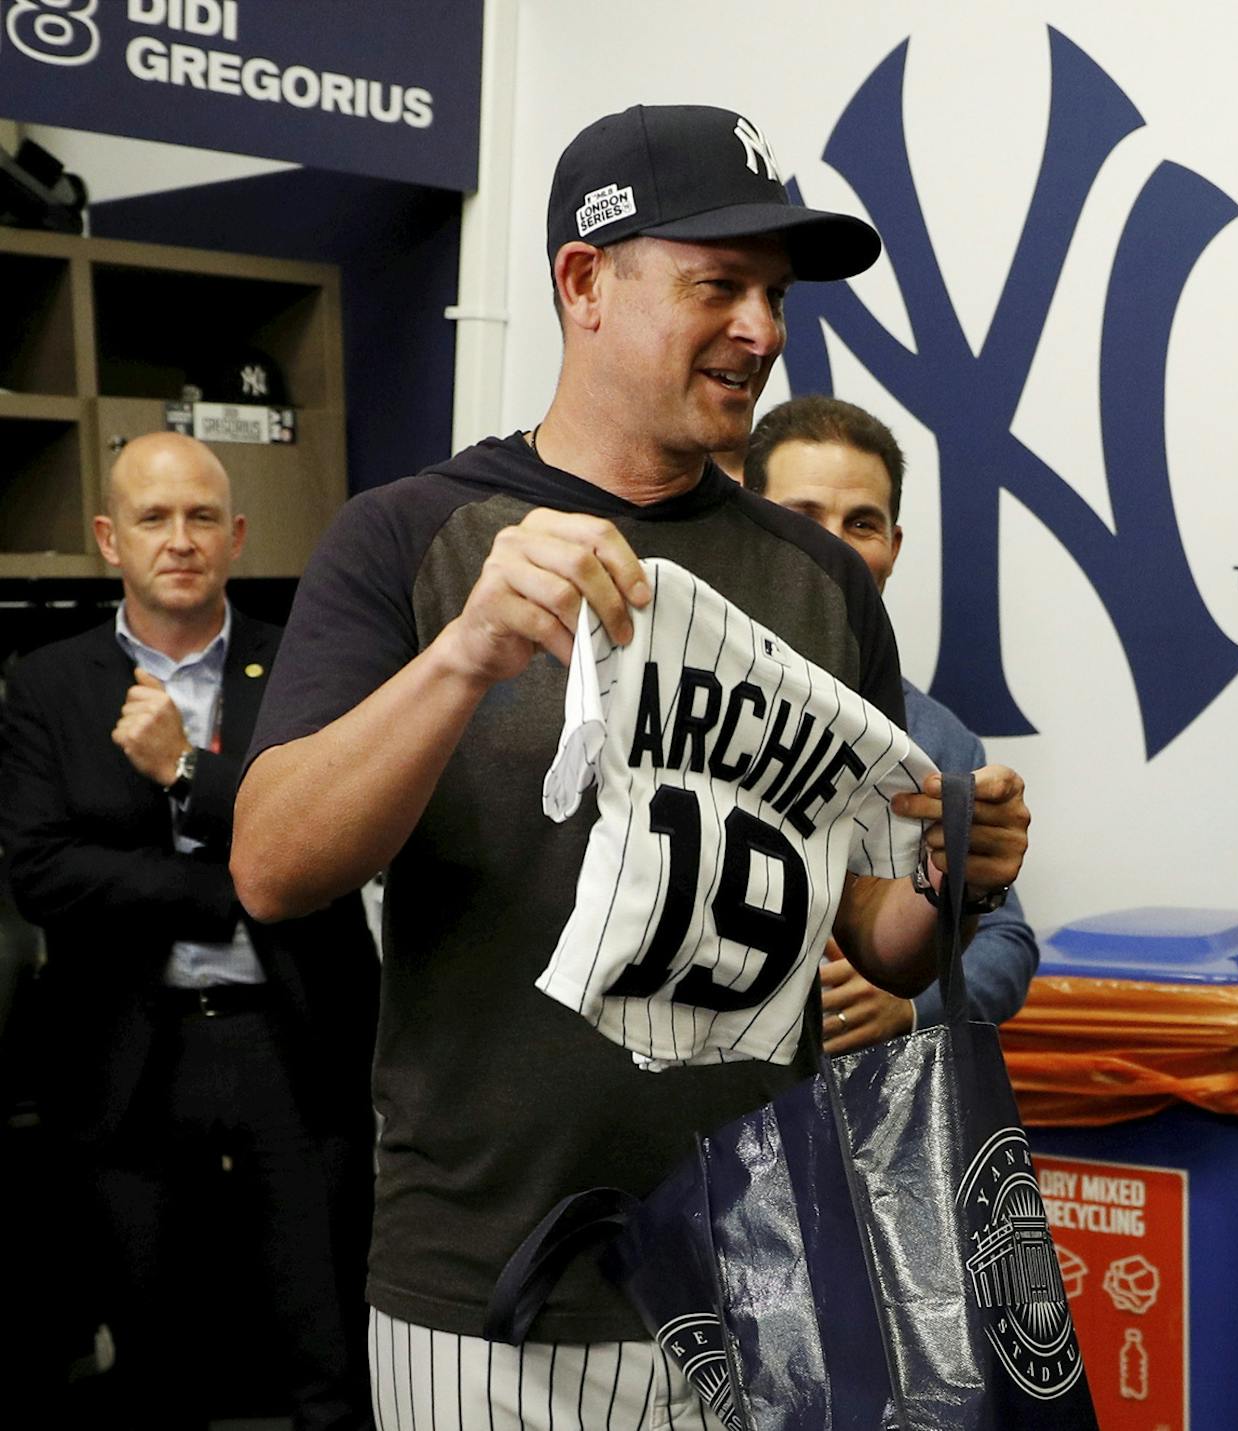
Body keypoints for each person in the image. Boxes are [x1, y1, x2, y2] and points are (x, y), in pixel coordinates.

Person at [229, 105, 1032, 1429]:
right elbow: (271, 863)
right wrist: (467, 653)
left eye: (773, 295)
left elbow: (874, 933)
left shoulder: (818, 579)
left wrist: (952, 880)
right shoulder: (410, 536)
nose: (763, 330)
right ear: (583, 282)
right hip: (491, 1286)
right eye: (718, 284)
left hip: (762, 1269)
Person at [0, 432, 378, 1430]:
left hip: (289, 1042)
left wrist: (184, 774)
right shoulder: (48, 683)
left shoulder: (311, 664)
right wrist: (238, 884)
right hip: (125, 1055)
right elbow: (44, 873)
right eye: (153, 518)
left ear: (237, 533)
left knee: (329, 1358)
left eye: (202, 516)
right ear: (107, 538)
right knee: (155, 1364)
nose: (180, 539)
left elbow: (337, 844)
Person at [742, 394, 1041, 1052]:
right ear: (744, 520)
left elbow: (1007, 942)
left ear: (893, 547)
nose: (834, 546)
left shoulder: (936, 739)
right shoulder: (678, 690)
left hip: (856, 1127)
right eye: (803, 515)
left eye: (862, 523)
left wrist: (911, 1005)